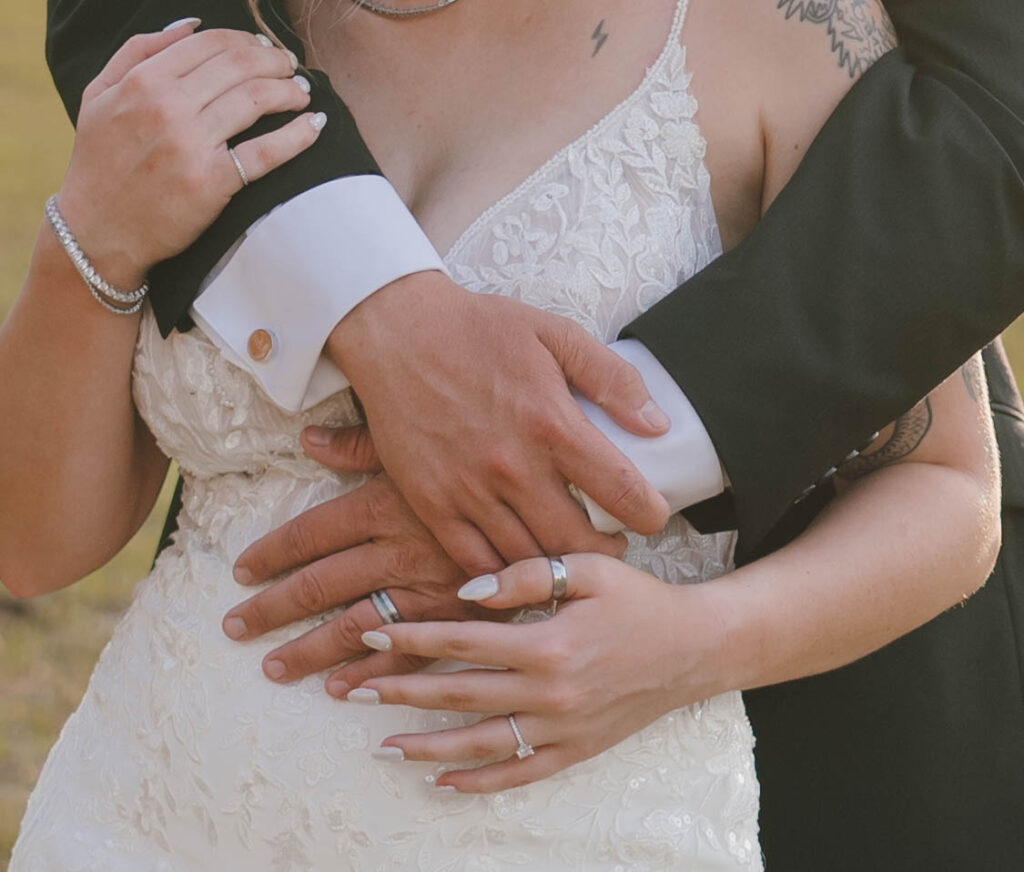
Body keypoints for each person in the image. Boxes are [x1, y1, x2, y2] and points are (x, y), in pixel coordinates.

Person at [1, 0, 1003, 868]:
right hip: (145, 818)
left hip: (574, 832)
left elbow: (948, 486)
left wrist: (692, 646)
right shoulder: (224, 42)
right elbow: (35, 543)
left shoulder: (782, 35)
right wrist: (88, 237)